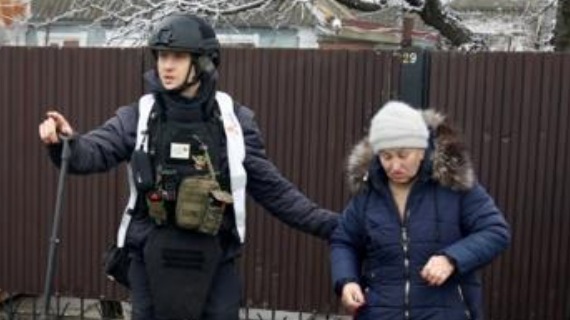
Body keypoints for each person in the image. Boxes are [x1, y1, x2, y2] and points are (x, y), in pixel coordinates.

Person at [38, 13, 338, 320]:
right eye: (162, 56)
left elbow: (275, 190)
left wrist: (333, 226)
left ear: (204, 61)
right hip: (150, 256)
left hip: (215, 259)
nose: (166, 65)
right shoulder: (139, 116)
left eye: (178, 57)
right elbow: (94, 151)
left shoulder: (234, 121)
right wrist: (66, 143)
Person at [330, 101, 510, 319]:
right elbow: (344, 241)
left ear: (422, 151)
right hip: (380, 312)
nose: (395, 166)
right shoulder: (368, 193)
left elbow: (495, 231)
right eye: (386, 156)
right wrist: (347, 280)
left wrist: (451, 259)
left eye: (403, 155)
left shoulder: (454, 185)